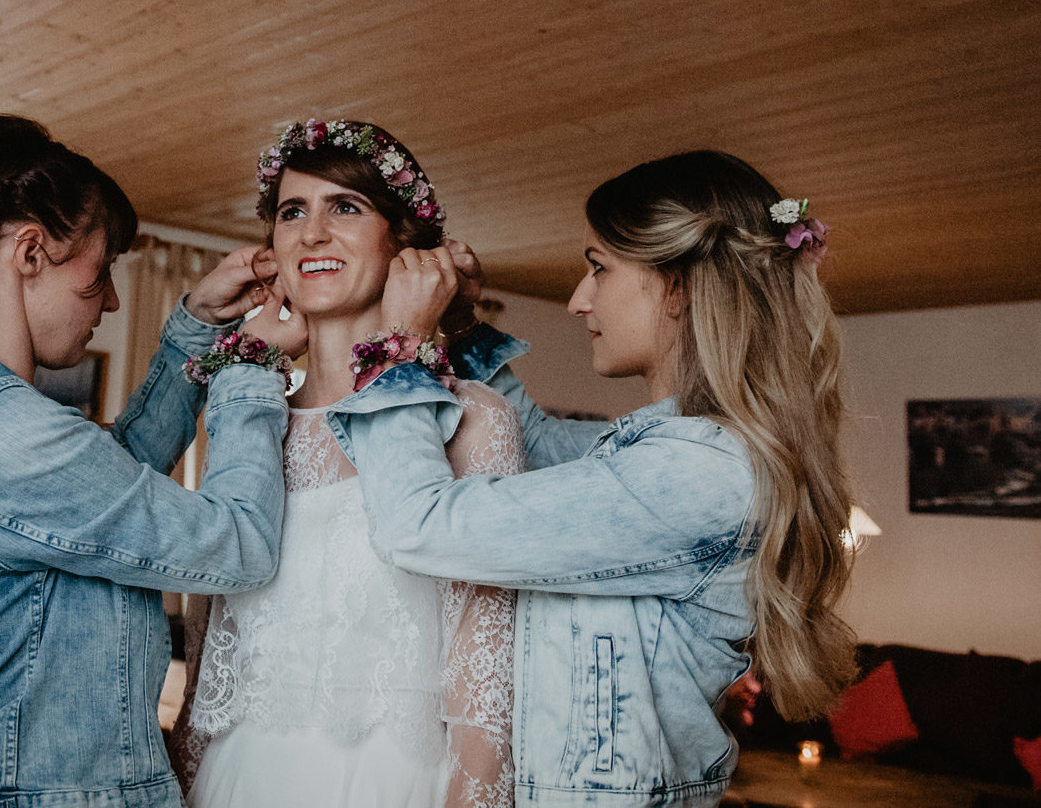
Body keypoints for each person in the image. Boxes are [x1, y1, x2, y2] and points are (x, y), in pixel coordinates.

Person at [328, 150, 857, 807]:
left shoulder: (694, 474)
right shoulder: (670, 451)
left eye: (598, 269)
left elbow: (417, 526)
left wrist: (401, 344)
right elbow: (533, 445)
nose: (579, 301)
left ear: (678, 287)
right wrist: (460, 324)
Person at [0, 114, 305, 808]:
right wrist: (253, 368)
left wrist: (196, 327)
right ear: (31, 253)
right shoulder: (2, 431)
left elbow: (104, 487)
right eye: (98, 274)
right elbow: (241, 543)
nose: (110, 300)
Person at [168, 119, 521, 808]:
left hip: (395, 784)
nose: (312, 233)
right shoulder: (248, 424)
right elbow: (210, 658)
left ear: (406, 246)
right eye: (293, 212)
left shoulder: (474, 420)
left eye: (346, 208)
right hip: (234, 784)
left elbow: (488, 687)